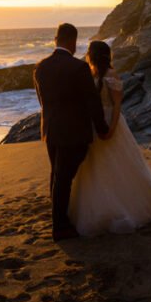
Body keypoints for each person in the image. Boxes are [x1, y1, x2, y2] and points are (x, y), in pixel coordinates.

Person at [69, 40, 151, 236]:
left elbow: (116, 106)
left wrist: (112, 128)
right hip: (94, 124)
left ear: (92, 55)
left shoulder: (110, 75)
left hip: (109, 123)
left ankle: (122, 203)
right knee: (96, 165)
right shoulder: (90, 75)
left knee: (117, 164)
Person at [33, 23, 109, 241]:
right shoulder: (78, 68)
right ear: (73, 41)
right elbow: (92, 101)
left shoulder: (40, 66)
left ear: (56, 39)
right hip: (73, 132)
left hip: (50, 130)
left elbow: (42, 101)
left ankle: (58, 218)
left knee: (56, 175)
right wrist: (102, 128)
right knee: (64, 178)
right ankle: (60, 226)